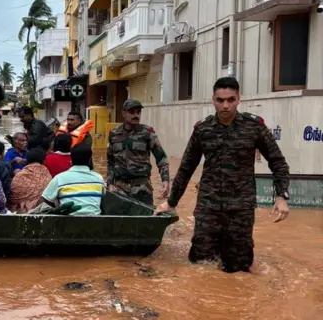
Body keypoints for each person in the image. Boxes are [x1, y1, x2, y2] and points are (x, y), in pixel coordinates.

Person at [154, 77, 290, 273]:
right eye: (220, 100)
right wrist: (172, 202)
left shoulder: (254, 127)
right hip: (209, 207)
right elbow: (186, 168)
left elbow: (278, 162)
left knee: (239, 269)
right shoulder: (203, 129)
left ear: (239, 99)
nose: (225, 105)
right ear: (213, 100)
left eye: (230, 100)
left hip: (241, 208)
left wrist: (281, 196)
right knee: (201, 265)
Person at [106, 99, 170, 205]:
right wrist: (109, 183)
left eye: (138, 112)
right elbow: (110, 162)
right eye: (132, 112)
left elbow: (161, 158)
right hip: (120, 187)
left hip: (142, 187)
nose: (136, 115)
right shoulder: (114, 134)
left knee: (145, 219)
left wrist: (165, 180)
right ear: (123, 113)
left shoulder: (147, 133)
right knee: (121, 220)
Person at [40, 146, 105, 216]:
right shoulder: (98, 178)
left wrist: (57, 209)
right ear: (90, 160)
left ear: (71, 159)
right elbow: (101, 199)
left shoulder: (60, 178)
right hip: (96, 223)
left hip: (67, 222)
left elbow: (45, 200)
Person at [9, 148, 52, 214]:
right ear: (43, 160)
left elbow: (13, 195)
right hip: (40, 211)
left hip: (18, 212)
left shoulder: (20, 175)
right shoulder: (46, 174)